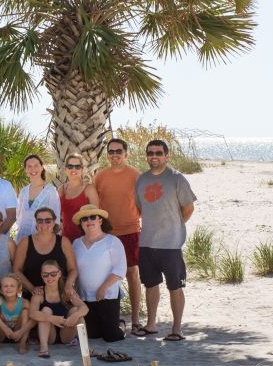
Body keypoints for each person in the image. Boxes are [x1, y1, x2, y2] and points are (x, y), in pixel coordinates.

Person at [135, 139, 197, 341]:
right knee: (150, 285)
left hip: (170, 244)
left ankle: (177, 329)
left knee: (175, 286)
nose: (154, 156)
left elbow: (188, 208)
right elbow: (140, 208)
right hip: (147, 242)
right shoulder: (141, 180)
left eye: (158, 153)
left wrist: (175, 225)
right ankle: (151, 325)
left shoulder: (177, 179)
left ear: (166, 156)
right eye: (150, 153)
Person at [94, 138, 142, 333]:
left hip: (130, 231)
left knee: (132, 273)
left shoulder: (136, 175)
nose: (115, 155)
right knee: (108, 276)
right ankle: (110, 317)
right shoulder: (100, 176)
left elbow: (143, 203)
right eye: (111, 151)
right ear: (107, 155)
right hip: (106, 233)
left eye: (118, 151)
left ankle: (136, 319)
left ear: (126, 153)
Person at [72, 204, 127, 342]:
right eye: (84, 219)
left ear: (100, 220)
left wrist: (103, 288)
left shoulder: (112, 241)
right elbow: (74, 270)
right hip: (85, 298)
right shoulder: (76, 244)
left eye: (92, 217)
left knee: (111, 337)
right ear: (81, 223)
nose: (89, 221)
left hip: (107, 296)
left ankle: (121, 325)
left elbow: (120, 269)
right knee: (93, 335)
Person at [13, 207, 77, 299]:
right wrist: (32, 289)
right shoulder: (25, 242)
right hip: (32, 297)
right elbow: (16, 270)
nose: (44, 224)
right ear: (36, 222)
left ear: (54, 222)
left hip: (60, 296)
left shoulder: (64, 242)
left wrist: (68, 285)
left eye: (48, 221)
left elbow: (73, 270)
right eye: (40, 221)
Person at [29, 260, 88, 358]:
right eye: (45, 275)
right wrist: (52, 318)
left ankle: (86, 348)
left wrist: (75, 315)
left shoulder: (66, 291)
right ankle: (44, 348)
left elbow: (85, 308)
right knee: (46, 310)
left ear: (59, 274)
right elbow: (32, 313)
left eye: (53, 274)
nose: (49, 277)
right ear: (41, 275)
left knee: (76, 311)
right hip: (49, 336)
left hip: (66, 333)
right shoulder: (39, 293)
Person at [14, 154, 60, 243]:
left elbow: (56, 220)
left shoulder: (51, 191)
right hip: (21, 240)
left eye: (36, 165)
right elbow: (18, 216)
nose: (33, 169)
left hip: (42, 241)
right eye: (29, 166)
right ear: (25, 170)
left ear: (42, 167)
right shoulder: (23, 191)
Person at [0, 274, 33, 354]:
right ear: (1, 289)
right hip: (2, 335)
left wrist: (20, 332)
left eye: (12, 286)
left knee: (25, 312)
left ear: (18, 289)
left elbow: (32, 320)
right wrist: (5, 329)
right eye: (5, 286)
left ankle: (23, 344)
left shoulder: (24, 302)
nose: (9, 288)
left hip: (18, 335)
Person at [59, 153, 99, 242]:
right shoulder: (61, 190)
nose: (74, 169)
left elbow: (96, 216)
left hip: (86, 240)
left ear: (82, 170)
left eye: (77, 167)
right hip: (66, 240)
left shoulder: (89, 189)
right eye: (70, 166)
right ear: (65, 169)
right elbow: (56, 215)